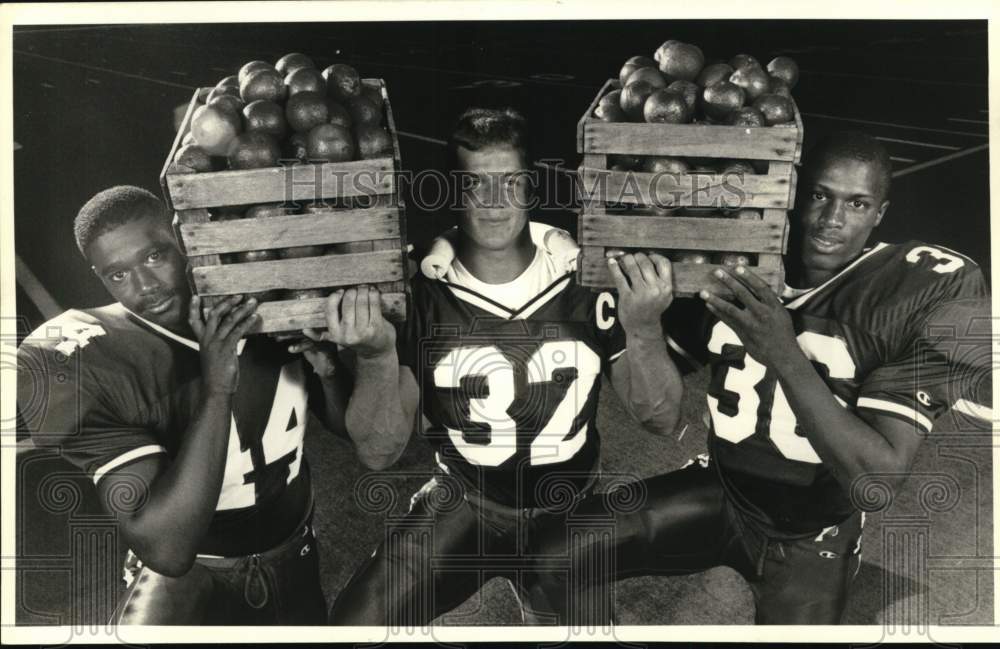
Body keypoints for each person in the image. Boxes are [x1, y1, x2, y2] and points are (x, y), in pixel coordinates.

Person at [546, 130, 994, 624]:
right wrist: (642, 327)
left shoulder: (912, 289)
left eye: (857, 204)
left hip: (812, 531)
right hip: (724, 489)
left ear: (880, 214)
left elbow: (875, 483)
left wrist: (782, 349)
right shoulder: (734, 265)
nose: (831, 220)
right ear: (793, 196)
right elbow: (660, 417)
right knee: (554, 558)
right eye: (820, 196)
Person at [320, 107, 684, 625]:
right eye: (475, 184)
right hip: (466, 501)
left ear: (530, 187)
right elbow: (379, 452)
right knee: (353, 626)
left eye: (509, 183)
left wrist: (645, 328)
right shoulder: (418, 288)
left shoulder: (586, 275)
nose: (493, 202)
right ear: (452, 190)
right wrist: (377, 355)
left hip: (570, 510)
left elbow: (663, 419)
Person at [16, 186, 409, 625]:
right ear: (98, 276)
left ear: (184, 240)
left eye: (154, 257)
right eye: (118, 275)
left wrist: (329, 370)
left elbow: (343, 427)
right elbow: (167, 549)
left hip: (292, 544)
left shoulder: (260, 302)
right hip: (192, 575)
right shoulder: (85, 353)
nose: (146, 287)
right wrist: (217, 387)